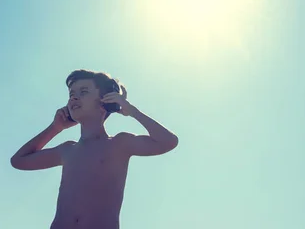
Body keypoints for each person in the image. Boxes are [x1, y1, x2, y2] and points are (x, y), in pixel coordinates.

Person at [11, 69, 179, 229]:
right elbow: (18, 161)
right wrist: (55, 128)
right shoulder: (67, 150)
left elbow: (168, 141)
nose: (74, 98)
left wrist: (131, 111)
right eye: (72, 94)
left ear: (106, 101)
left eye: (83, 92)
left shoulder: (120, 144)